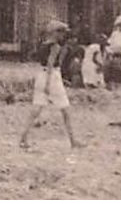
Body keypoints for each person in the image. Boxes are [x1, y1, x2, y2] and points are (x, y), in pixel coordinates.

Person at [20, 20, 80, 149]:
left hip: (40, 76)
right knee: (65, 111)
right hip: (52, 77)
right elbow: (50, 64)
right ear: (56, 33)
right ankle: (73, 141)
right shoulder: (55, 47)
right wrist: (49, 83)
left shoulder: (43, 45)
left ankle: (23, 137)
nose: (63, 36)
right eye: (61, 32)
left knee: (36, 109)